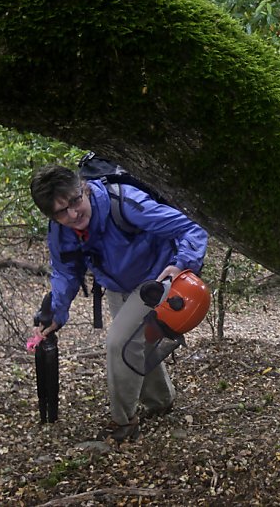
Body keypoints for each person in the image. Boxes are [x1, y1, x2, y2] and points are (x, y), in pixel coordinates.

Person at [30, 164, 208, 442]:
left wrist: (182, 264)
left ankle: (123, 423)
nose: (73, 214)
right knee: (137, 342)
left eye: (76, 201)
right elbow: (66, 272)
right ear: (51, 215)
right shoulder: (61, 231)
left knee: (119, 344)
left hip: (155, 281)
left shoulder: (125, 203)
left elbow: (191, 227)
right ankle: (160, 400)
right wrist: (56, 311)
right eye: (61, 211)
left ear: (84, 189)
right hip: (116, 285)